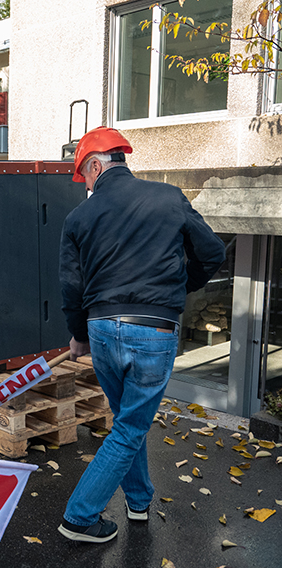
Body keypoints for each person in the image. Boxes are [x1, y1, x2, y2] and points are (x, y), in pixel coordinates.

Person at [57, 127, 226, 543]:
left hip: (100, 330)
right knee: (130, 427)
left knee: (126, 423)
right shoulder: (168, 198)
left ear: (96, 165)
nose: (88, 186)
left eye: (86, 177)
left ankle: (138, 500)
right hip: (153, 330)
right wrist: (177, 287)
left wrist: (78, 333)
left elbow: (71, 287)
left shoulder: (78, 218)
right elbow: (213, 253)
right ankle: (79, 518)